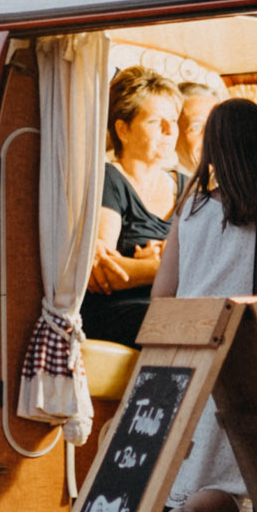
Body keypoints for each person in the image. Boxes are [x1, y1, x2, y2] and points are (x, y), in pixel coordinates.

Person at [151, 96, 257, 512]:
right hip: (241, 359)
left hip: (192, 357)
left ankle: (182, 511)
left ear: (212, 149)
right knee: (234, 486)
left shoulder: (191, 209)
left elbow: (162, 294)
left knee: (197, 470)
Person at [81, 73, 180, 347]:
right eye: (154, 122)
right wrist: (167, 264)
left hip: (172, 306)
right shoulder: (110, 178)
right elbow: (107, 272)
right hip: (119, 312)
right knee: (180, 322)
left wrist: (147, 265)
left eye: (172, 121)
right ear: (123, 130)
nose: (169, 131)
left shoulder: (186, 187)